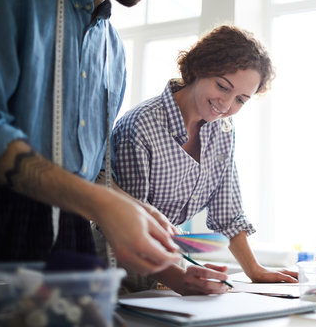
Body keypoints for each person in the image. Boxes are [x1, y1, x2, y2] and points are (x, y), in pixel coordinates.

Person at [0, 0, 217, 279]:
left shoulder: (113, 51)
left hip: (71, 241)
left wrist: (172, 271)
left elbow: (87, 172)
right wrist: (101, 203)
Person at [112, 25, 298, 295]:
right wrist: (180, 279)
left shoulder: (223, 131)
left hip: (165, 270)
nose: (226, 105)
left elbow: (228, 212)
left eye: (241, 100)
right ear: (199, 68)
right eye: (222, 86)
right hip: (114, 269)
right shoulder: (141, 125)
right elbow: (128, 223)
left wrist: (255, 270)